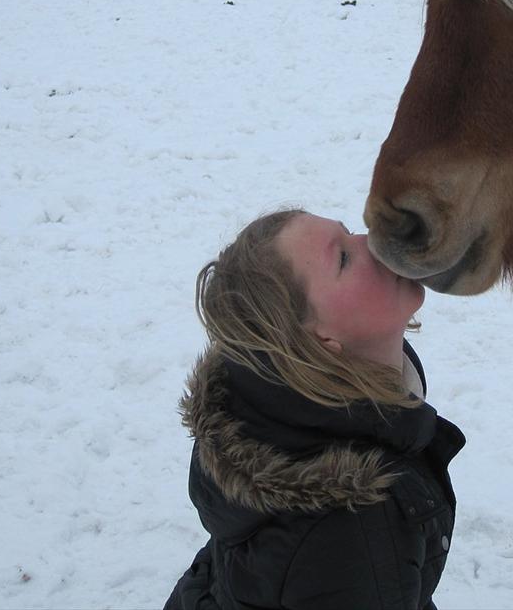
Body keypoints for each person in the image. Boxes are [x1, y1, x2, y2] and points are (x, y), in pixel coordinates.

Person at [163, 209, 465, 610]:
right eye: (342, 258)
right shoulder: (352, 533)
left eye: (350, 234)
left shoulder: (266, 411)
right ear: (320, 341)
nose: (373, 241)